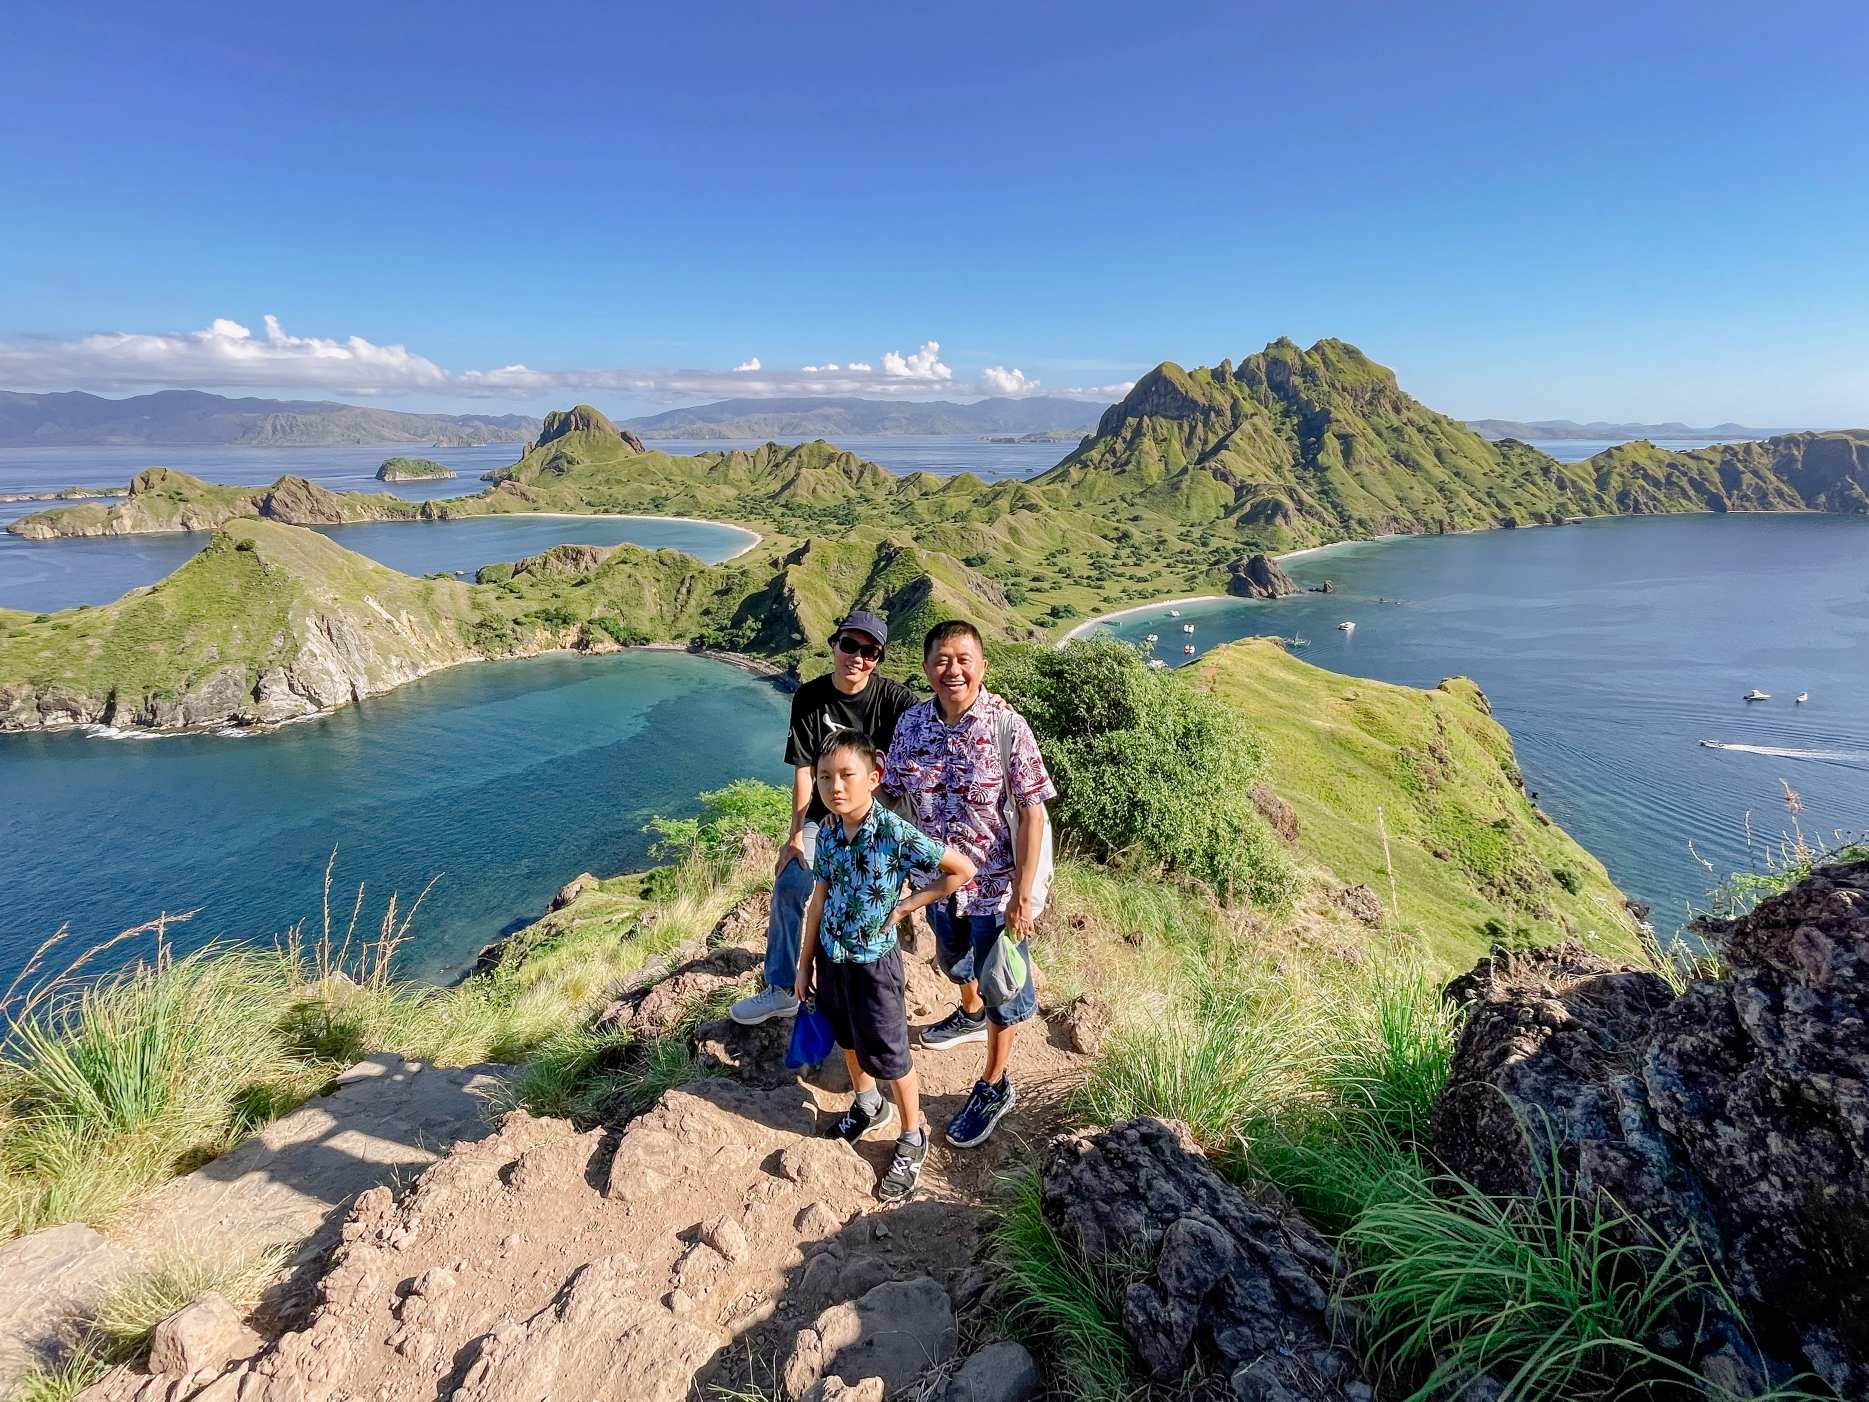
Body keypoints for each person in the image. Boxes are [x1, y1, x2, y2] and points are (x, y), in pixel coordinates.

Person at [883, 619, 1055, 1149]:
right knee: (954, 961)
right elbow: (891, 794)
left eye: (963, 659)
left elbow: (1032, 812)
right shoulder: (911, 725)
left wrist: (1023, 895)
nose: (952, 669)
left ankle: (994, 1084)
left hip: (996, 888)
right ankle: (969, 1012)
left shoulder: (1007, 726)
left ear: (982, 666)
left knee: (1002, 986)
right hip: (938, 882)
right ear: (925, 667)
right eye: (942, 659)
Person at [795, 729, 976, 1201]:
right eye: (825, 777)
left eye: (846, 775)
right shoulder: (829, 832)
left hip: (874, 965)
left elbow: (961, 870)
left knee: (892, 1054)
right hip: (832, 959)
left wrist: (908, 905)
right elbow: (818, 900)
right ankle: (868, 1104)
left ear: (874, 777)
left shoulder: (894, 832)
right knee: (847, 1039)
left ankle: (913, 1136)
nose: (835, 786)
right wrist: (804, 963)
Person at [731, 610, 918, 1026]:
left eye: (870, 652)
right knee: (790, 885)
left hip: (882, 817)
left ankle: (887, 985)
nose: (858, 657)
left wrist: (984, 701)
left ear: (878, 659)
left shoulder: (896, 701)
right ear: (834, 645)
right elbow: (803, 770)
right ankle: (781, 988)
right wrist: (795, 835)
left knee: (875, 897)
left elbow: (940, 719)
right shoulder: (809, 697)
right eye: (850, 645)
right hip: (825, 815)